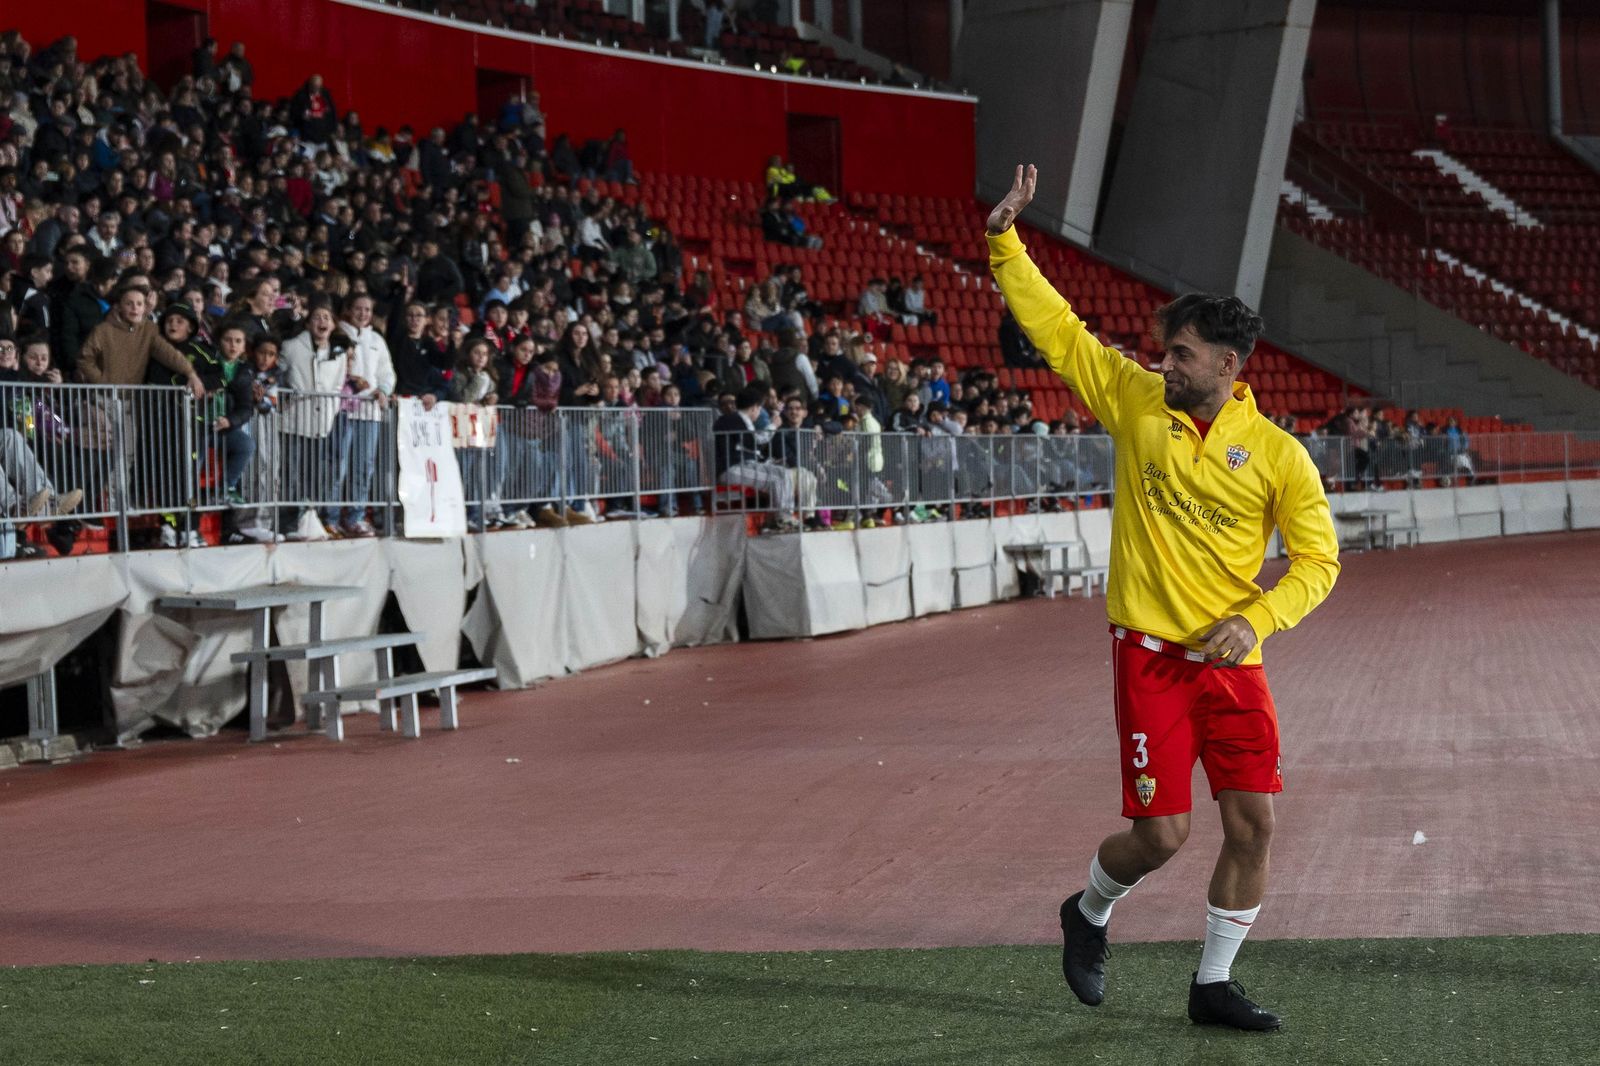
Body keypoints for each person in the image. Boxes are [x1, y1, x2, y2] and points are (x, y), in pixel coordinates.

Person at [987, 164, 1340, 1032]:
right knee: (1161, 837)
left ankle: (1212, 985)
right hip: (1149, 654)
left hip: (1234, 662)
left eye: (1179, 354)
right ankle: (1089, 912)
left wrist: (1254, 617)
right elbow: (1063, 335)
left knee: (1253, 825)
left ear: (1227, 364)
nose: (1163, 363)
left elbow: (1318, 562)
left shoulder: (1280, 455)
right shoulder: (1137, 403)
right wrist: (1004, 243)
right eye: (1163, 351)